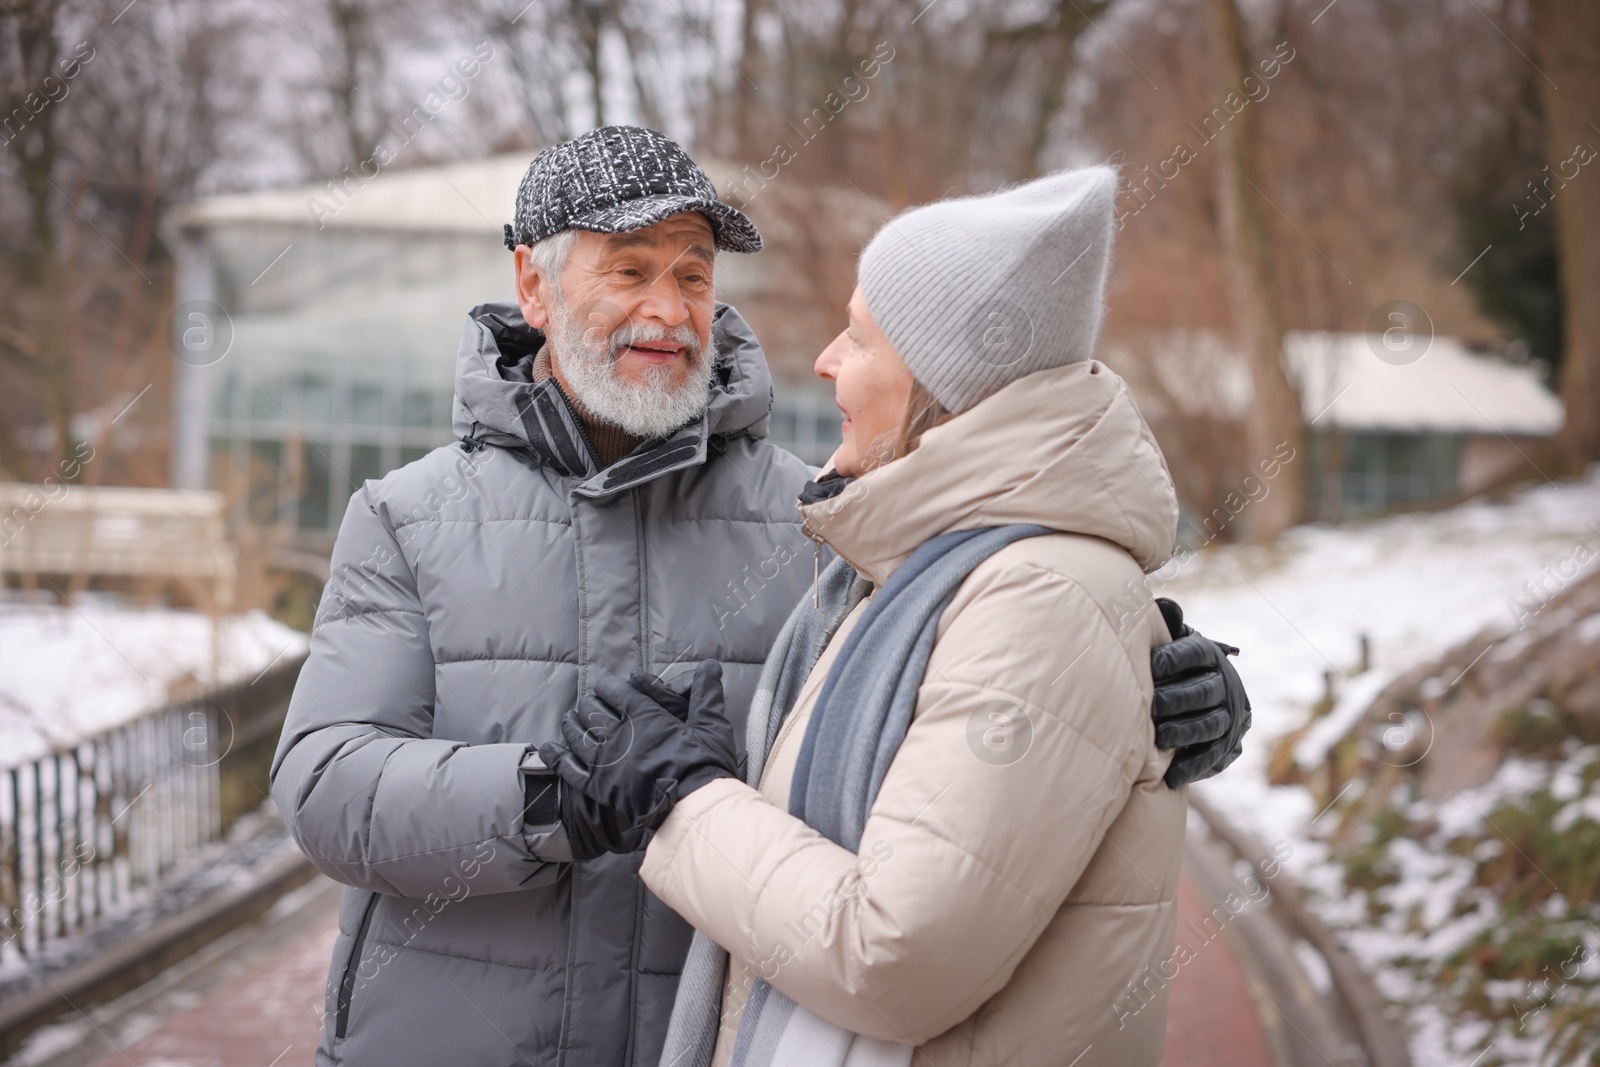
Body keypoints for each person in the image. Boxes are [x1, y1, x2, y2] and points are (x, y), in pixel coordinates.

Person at [273, 125, 1246, 1067]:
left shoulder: (828, 520)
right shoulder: (407, 516)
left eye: (693, 274)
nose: (668, 307)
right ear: (532, 283)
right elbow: (326, 784)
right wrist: (553, 795)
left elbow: (998, 653)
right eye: (629, 268)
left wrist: (1144, 690)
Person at [544, 165, 1238, 1067]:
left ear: (941, 388)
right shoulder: (902, 562)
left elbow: (897, 957)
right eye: (628, 271)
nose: (825, 358)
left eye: (860, 337)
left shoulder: (1021, 588)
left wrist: (683, 798)